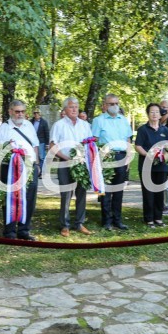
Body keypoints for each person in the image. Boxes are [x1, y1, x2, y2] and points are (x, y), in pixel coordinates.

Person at [0, 99, 40, 241]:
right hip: (10, 169)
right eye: (17, 111)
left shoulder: (29, 126)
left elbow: (35, 145)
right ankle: (9, 232)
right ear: (10, 112)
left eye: (23, 111)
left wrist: (37, 164)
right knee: (11, 199)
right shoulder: (3, 128)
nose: (20, 114)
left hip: (29, 167)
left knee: (29, 199)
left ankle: (24, 230)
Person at [50, 96, 94, 236]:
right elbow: (52, 146)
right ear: (65, 109)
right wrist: (67, 158)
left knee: (82, 193)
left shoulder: (85, 125)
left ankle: (80, 223)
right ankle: (65, 225)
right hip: (65, 163)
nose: (74, 109)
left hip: (82, 163)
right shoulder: (59, 125)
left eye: (76, 106)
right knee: (66, 194)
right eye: (71, 106)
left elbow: (90, 144)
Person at [91, 93, 133, 231]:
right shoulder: (99, 120)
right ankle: (106, 221)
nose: (114, 106)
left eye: (116, 103)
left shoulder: (123, 120)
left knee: (119, 190)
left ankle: (118, 220)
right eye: (111, 104)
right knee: (106, 191)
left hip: (121, 156)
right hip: (106, 157)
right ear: (105, 105)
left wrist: (128, 159)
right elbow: (94, 140)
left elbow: (128, 141)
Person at [135, 103, 168, 227]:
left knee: (159, 192)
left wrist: (166, 156)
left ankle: (158, 218)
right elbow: (138, 146)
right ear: (148, 114)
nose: (154, 114)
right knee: (148, 193)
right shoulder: (142, 130)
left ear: (160, 115)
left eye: (156, 112)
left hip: (161, 167)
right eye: (151, 112)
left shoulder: (165, 130)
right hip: (146, 166)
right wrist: (149, 155)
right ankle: (149, 219)